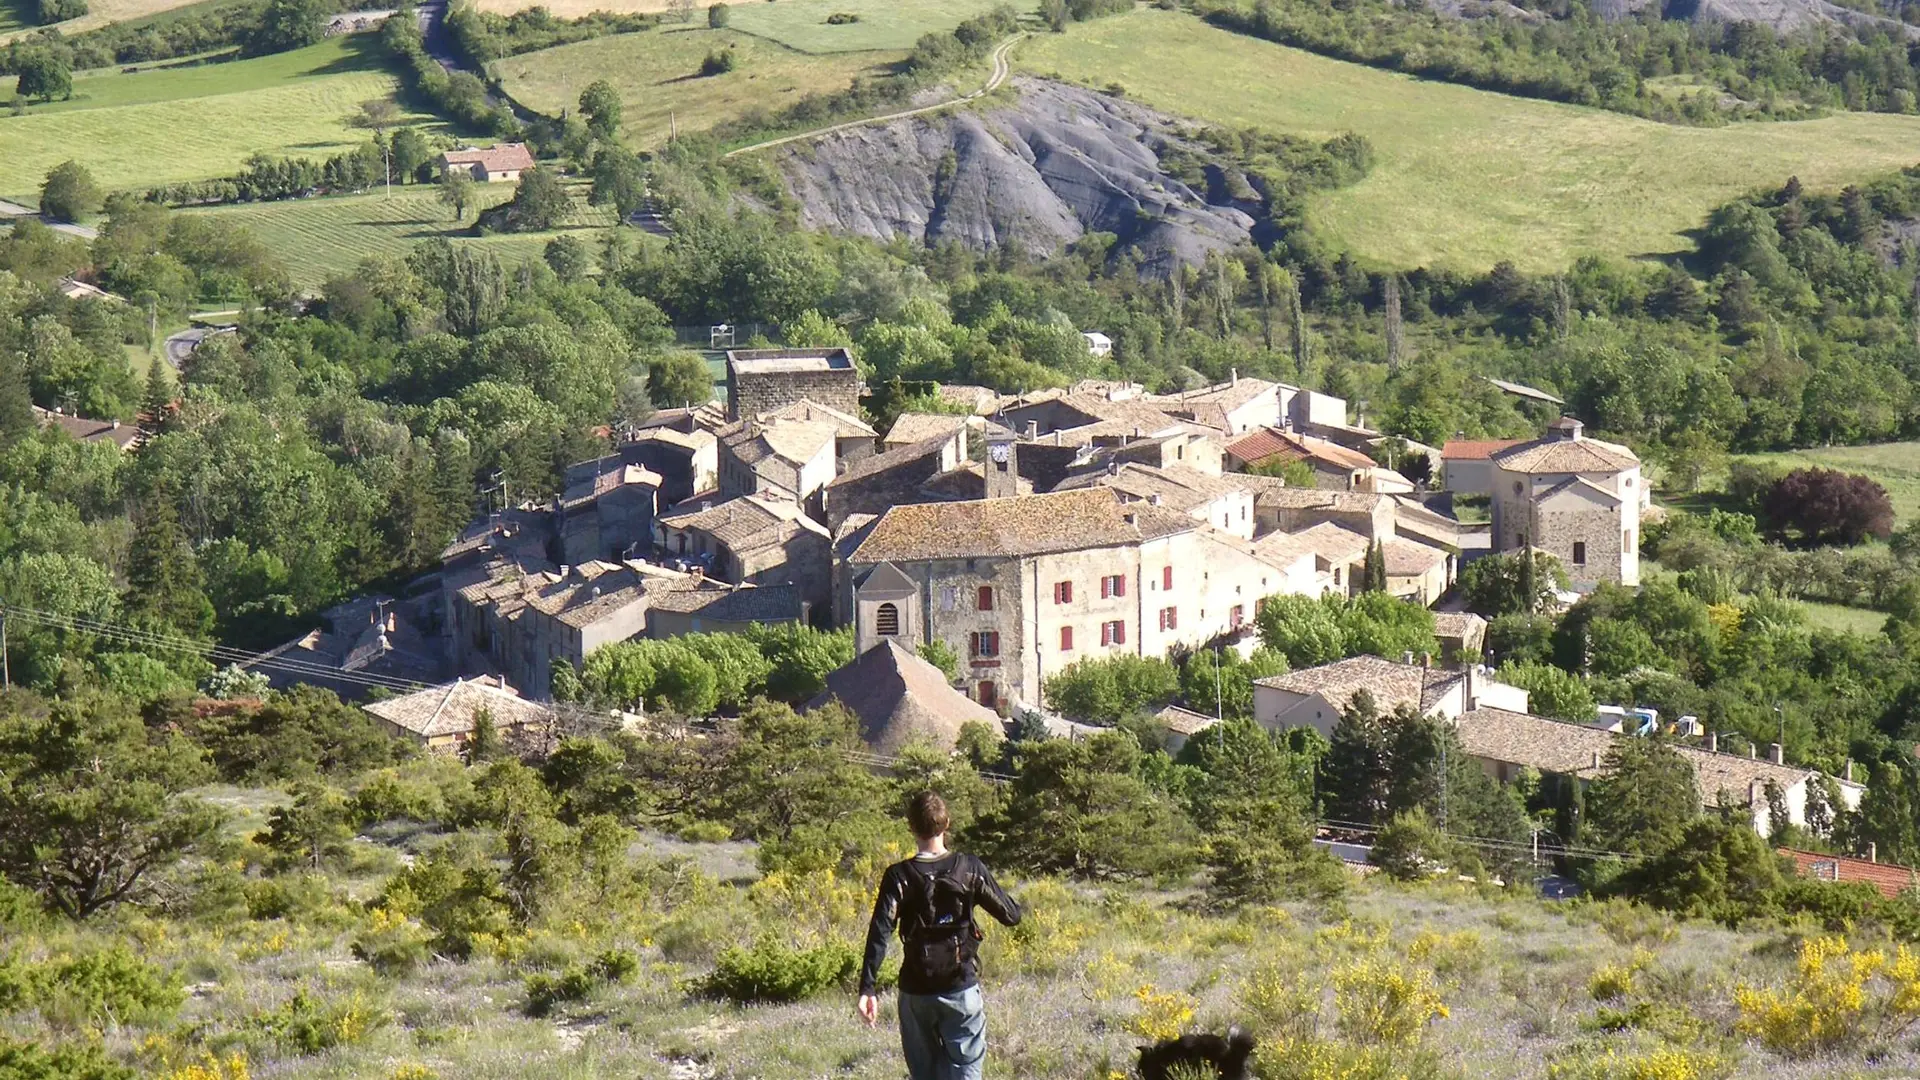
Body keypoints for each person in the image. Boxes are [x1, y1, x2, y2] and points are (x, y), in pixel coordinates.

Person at [857, 791, 1021, 1080]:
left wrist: (867, 988)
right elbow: (1011, 916)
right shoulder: (969, 868)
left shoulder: (899, 876)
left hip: (915, 993)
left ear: (911, 827)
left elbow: (880, 932)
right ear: (947, 824)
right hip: (961, 988)